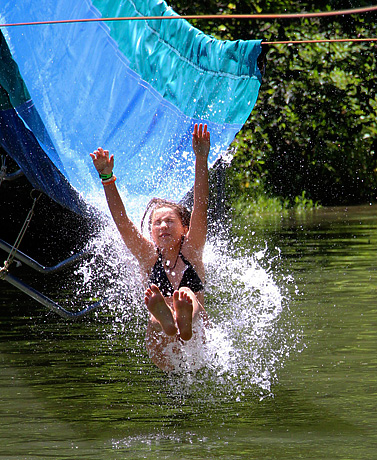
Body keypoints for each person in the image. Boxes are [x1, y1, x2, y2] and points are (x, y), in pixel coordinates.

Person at [90, 123, 210, 371]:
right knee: (159, 315)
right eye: (157, 223)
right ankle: (169, 321)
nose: (163, 226)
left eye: (170, 221)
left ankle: (180, 322)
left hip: (198, 338)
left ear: (184, 228)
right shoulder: (148, 255)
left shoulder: (192, 250)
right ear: (152, 233)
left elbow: (200, 204)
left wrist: (201, 158)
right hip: (162, 351)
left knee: (186, 296)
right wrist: (107, 178)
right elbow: (122, 222)